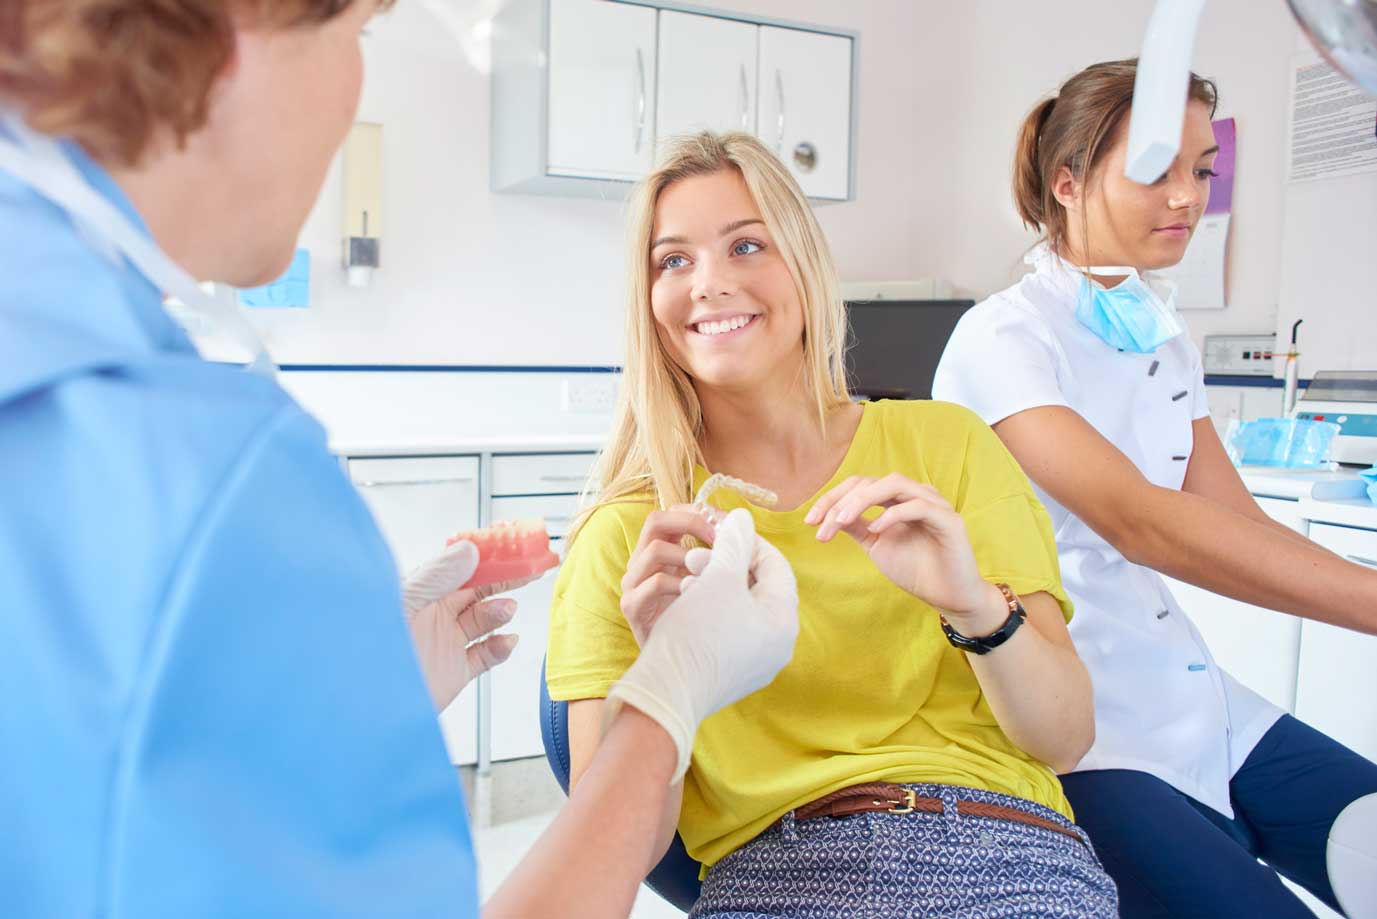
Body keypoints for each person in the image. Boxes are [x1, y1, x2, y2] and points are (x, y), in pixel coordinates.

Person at [0, 3, 799, 917]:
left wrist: (339, 711)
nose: (354, 89)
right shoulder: (210, 476)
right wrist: (666, 702)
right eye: (354, 38)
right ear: (235, 34)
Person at [545, 130, 1118, 919]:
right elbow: (612, 856)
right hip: (778, 873)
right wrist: (664, 667)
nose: (708, 283)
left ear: (805, 266)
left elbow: (1063, 739)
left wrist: (973, 605)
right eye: (672, 260)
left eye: (746, 245)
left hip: (1000, 847)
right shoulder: (631, 538)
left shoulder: (944, 446)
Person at [933, 58, 1377, 919]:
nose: (1188, 198)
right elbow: (1144, 525)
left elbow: (1233, 524)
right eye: (1156, 171)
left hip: (1194, 696)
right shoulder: (1002, 338)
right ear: (1065, 182)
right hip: (1078, 729)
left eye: (1202, 171)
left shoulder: (1162, 339)